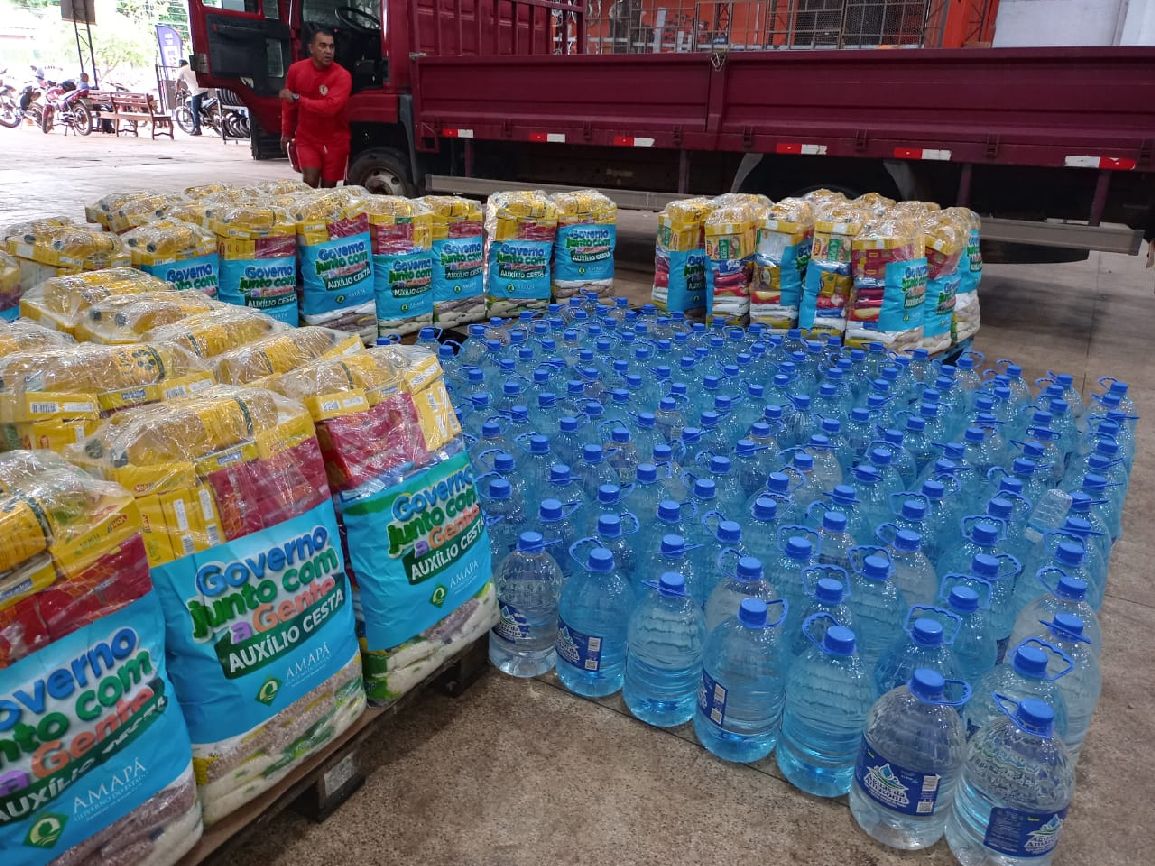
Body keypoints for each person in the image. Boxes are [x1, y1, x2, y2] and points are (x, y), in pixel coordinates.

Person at [280, 28, 352, 188]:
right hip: (307, 138)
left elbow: (330, 108)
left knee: (328, 188)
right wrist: (286, 132)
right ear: (311, 48)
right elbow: (288, 105)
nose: (328, 51)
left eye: (331, 46)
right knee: (310, 181)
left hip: (335, 141)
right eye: (323, 46)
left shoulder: (343, 76)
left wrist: (299, 98)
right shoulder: (296, 70)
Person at [177, 60, 207, 136]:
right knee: (204, 106)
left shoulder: (181, 70)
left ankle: (198, 130)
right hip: (205, 89)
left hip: (196, 91)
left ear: (180, 65)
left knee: (194, 111)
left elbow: (177, 82)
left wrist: (177, 91)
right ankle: (207, 117)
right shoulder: (193, 66)